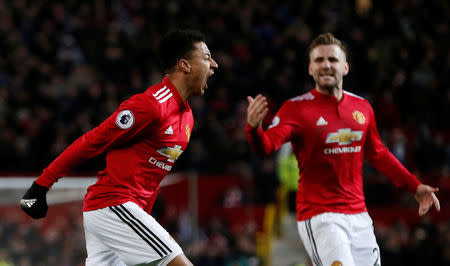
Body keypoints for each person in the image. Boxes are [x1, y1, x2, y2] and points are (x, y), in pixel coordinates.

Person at [20, 29, 218, 266]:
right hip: (113, 205)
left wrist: (144, 218)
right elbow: (94, 140)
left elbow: (151, 179)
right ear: (184, 65)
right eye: (206, 57)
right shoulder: (151, 105)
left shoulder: (187, 119)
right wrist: (41, 185)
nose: (214, 64)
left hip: (119, 213)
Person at [245, 32, 440, 266]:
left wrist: (414, 186)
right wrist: (254, 129)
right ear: (310, 68)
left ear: (345, 67)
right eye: (319, 60)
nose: (326, 65)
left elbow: (378, 153)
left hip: (359, 216)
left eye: (332, 59)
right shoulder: (295, 109)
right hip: (320, 217)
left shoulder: (362, 107)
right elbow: (266, 147)